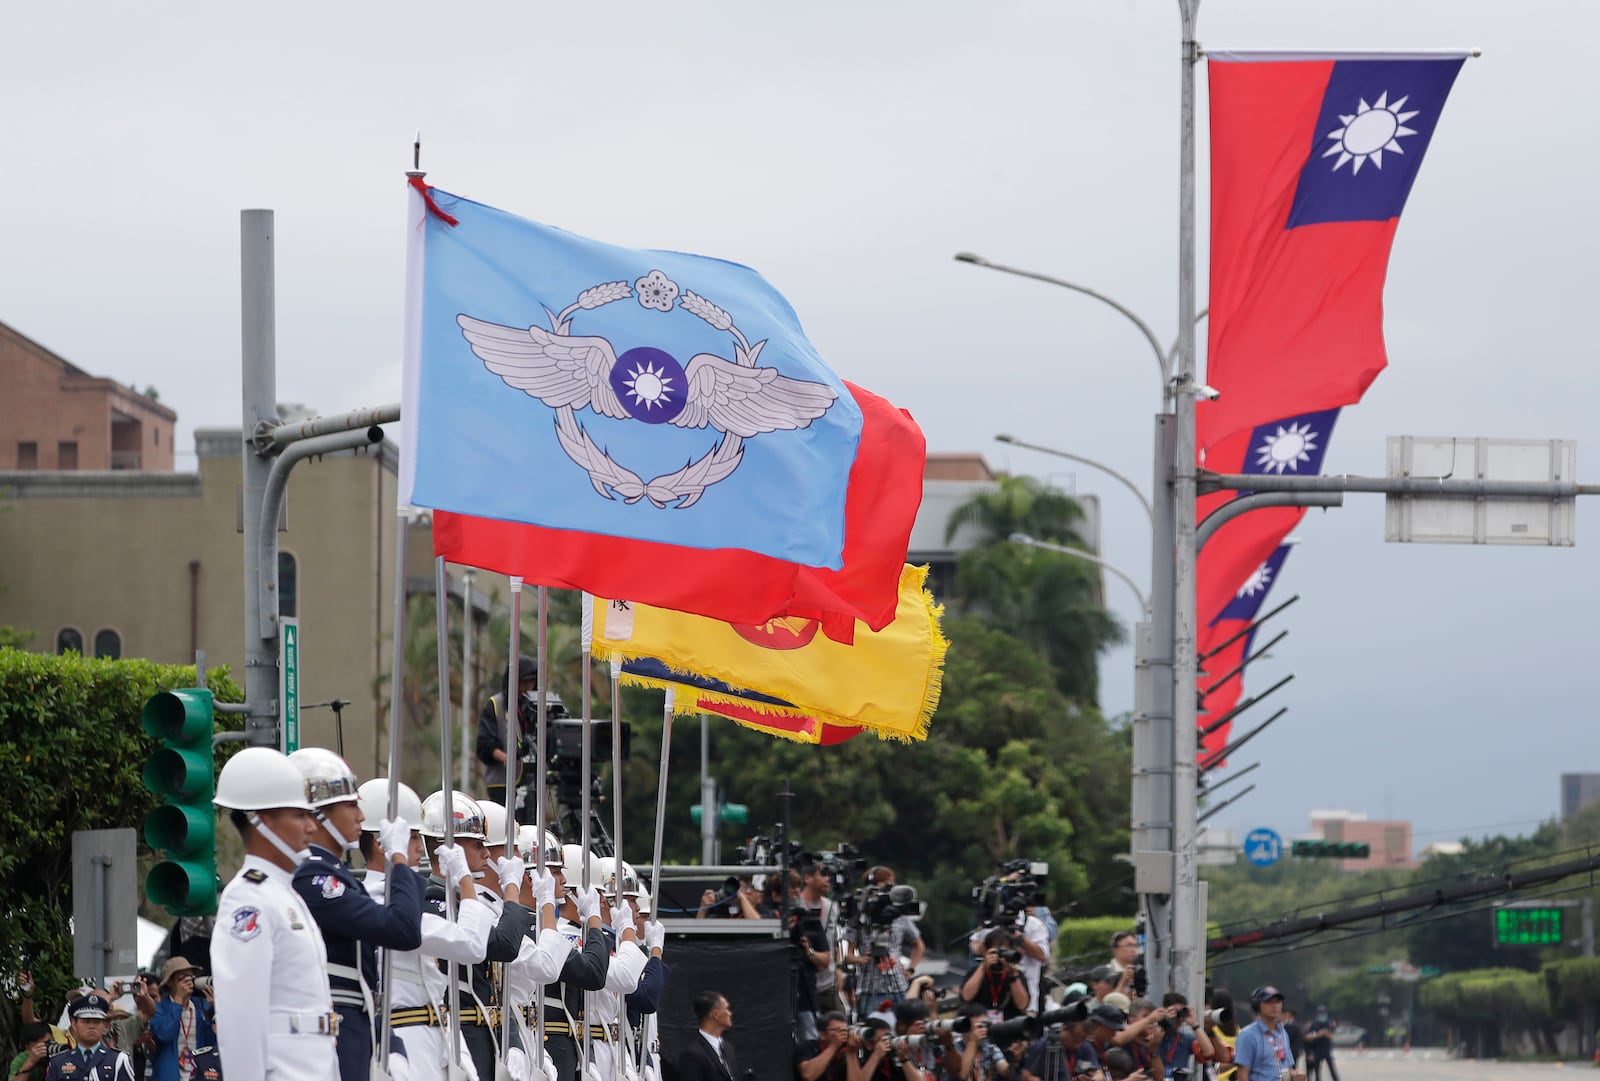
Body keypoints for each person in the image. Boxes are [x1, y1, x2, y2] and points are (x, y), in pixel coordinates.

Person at [289, 748, 425, 1081]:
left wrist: (389, 1043)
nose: (361, 817)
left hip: (357, 1026)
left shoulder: (338, 877)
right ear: (318, 814)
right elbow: (403, 929)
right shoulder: (313, 878)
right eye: (351, 805)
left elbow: (368, 982)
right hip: (334, 1029)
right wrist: (398, 860)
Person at [210, 745, 338, 1081]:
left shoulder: (283, 893)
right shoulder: (247, 900)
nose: (311, 827)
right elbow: (240, 1016)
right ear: (261, 821)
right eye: (300, 815)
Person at [370, 781, 493, 1081]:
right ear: (381, 841)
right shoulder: (380, 902)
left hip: (434, 1034)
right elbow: (473, 945)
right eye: (411, 836)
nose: (419, 846)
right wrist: (465, 879)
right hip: (408, 1039)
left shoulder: (397, 899)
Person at [477, 655, 537, 811]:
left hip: (531, 782)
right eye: (525, 681)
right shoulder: (496, 704)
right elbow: (484, 744)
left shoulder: (536, 706)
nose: (530, 685)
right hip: (502, 783)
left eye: (533, 681)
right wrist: (505, 758)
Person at [148, 957, 217, 1081]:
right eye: (181, 979)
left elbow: (213, 1041)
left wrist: (213, 1012)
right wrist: (179, 1000)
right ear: (170, 982)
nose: (188, 982)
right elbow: (164, 1034)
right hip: (169, 1076)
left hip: (199, 1075)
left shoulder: (201, 1006)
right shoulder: (159, 1009)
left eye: (190, 978)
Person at [43, 995, 134, 1080]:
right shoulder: (58, 1061)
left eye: (97, 1021)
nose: (91, 1026)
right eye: (86, 1021)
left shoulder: (118, 1059)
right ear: (74, 1024)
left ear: (104, 1024)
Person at [1231, 987, 1303, 1081]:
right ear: (1257, 1005)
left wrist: (1295, 1075)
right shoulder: (1247, 1035)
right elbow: (1242, 1076)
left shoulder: (1282, 1033)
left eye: (1277, 1002)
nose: (1274, 1006)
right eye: (1268, 1002)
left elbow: (1288, 1067)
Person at [961, 930, 1029, 1021]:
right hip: (981, 1025)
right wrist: (983, 967)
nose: (1000, 956)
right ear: (986, 951)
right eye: (996, 952)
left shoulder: (1016, 974)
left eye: (1005, 951)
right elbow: (966, 997)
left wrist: (1013, 975)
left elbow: (1022, 1005)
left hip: (1009, 1026)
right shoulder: (975, 972)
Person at [679, 990, 747, 1081]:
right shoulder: (692, 1054)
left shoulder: (728, 1048)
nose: (730, 1013)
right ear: (716, 1014)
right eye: (727, 1009)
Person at [795, 1010, 854, 1081]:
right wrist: (833, 1046)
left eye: (845, 1031)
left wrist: (852, 1053)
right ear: (822, 1035)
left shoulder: (846, 1053)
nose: (842, 1034)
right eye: (837, 1030)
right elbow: (808, 1075)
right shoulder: (807, 1047)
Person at [1303, 1009, 1338, 1081]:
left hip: (1326, 1050)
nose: (1322, 1015)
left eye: (1324, 1013)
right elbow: (1307, 1036)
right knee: (1317, 1072)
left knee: (1332, 1070)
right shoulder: (1314, 1023)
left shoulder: (1329, 1022)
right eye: (1321, 1013)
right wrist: (1319, 1034)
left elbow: (1332, 1036)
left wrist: (1326, 1033)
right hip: (1316, 1050)